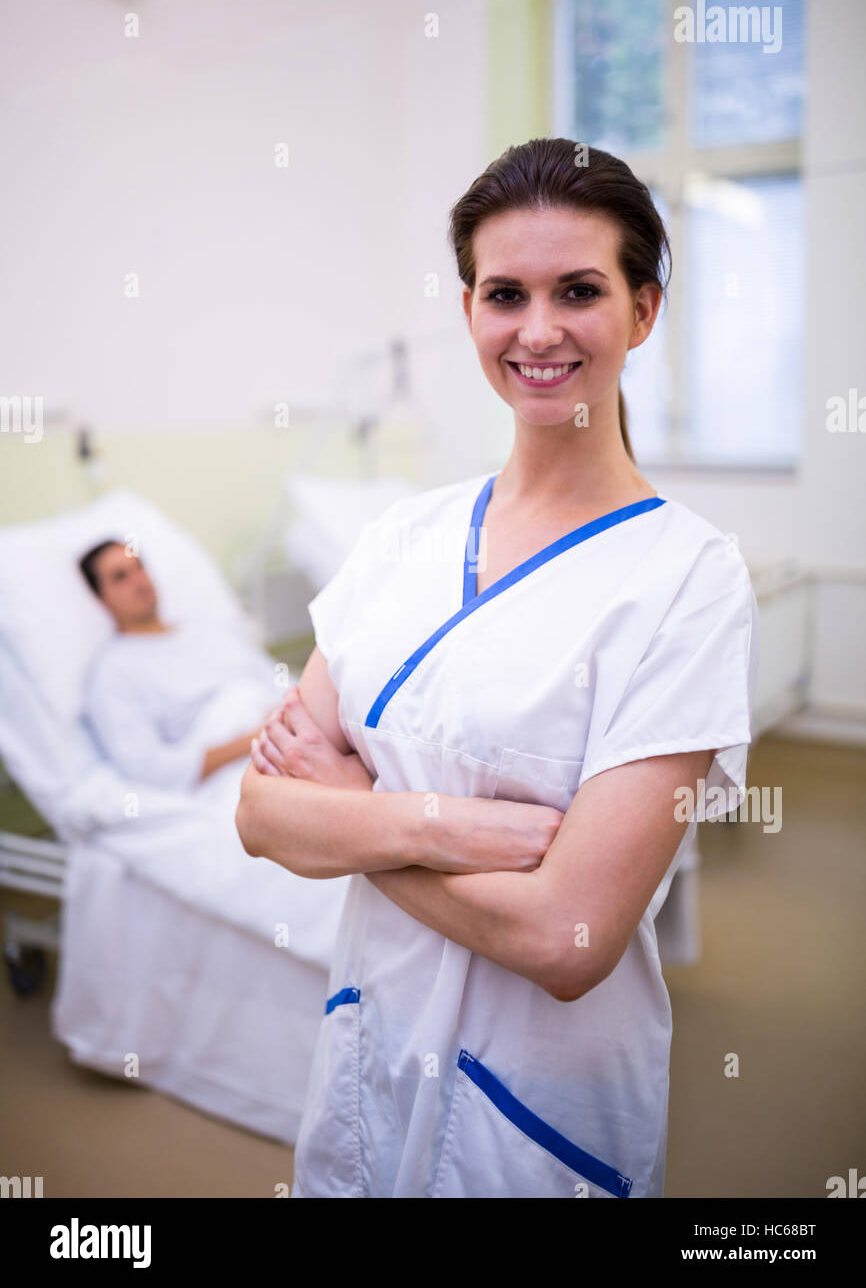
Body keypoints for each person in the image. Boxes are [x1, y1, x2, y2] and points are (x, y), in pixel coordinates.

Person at [235, 138, 759, 1199]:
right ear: (469, 307)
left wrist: (350, 812)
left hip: (536, 1110)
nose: (536, 330)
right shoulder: (399, 539)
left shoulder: (686, 576)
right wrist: (437, 825)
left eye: (578, 290)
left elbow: (568, 939)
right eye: (502, 293)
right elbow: (258, 815)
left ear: (642, 310)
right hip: (366, 1044)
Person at [79, 539, 282, 791]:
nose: (139, 581)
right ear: (101, 598)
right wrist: (256, 739)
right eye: (120, 577)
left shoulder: (208, 629)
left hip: (286, 732)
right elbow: (149, 769)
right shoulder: (112, 674)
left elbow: (278, 683)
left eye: (139, 567)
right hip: (235, 769)